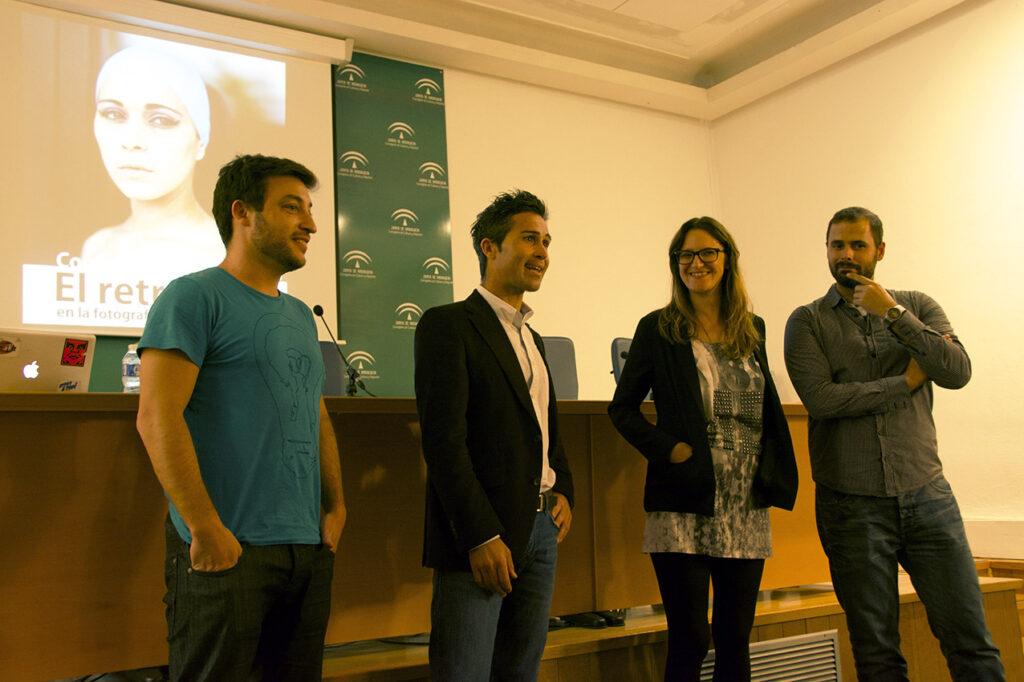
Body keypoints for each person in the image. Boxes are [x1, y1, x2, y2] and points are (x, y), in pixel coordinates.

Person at [135, 154, 345, 682]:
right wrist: (205, 528)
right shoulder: (193, 296)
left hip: (305, 549)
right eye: (292, 207)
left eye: (311, 209)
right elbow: (157, 418)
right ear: (242, 213)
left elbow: (313, 410)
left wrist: (335, 507)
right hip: (228, 551)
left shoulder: (298, 315)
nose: (312, 224)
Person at [784, 206, 1003, 681]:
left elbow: (956, 371)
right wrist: (904, 383)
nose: (846, 255)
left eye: (857, 245)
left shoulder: (918, 306)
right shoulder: (807, 322)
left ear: (879, 251)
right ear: (826, 250)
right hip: (851, 506)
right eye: (837, 245)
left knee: (972, 642)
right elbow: (822, 401)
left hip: (928, 496)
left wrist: (895, 315)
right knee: (877, 653)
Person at [608, 217, 798, 682]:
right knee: (691, 638)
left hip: (745, 504)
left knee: (735, 638)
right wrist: (669, 448)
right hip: (685, 502)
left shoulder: (753, 329)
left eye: (707, 252)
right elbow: (623, 409)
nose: (696, 263)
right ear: (676, 265)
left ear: (727, 258)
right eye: (686, 255)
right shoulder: (659, 328)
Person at [414, 189, 575, 681]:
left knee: (519, 673)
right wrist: (481, 535)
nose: (543, 252)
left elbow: (545, 426)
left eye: (547, 241)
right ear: (489, 247)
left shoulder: (534, 338)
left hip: (541, 531)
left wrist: (564, 486)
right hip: (482, 539)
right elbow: (444, 443)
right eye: (529, 238)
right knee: (463, 673)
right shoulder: (448, 326)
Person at [84, 45, 224, 276]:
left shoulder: (225, 255)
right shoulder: (97, 247)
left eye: (161, 120)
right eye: (113, 114)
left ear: (201, 141)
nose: (132, 141)